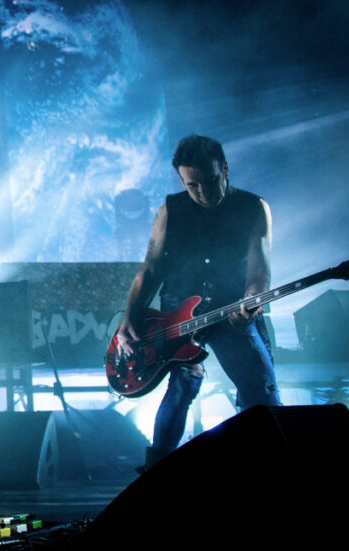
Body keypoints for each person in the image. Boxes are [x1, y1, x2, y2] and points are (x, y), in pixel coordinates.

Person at [115, 134, 280, 471]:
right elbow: (150, 267)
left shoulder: (253, 207)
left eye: (211, 181)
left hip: (230, 306)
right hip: (179, 307)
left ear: (226, 169)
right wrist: (129, 318)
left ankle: (272, 463)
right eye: (193, 185)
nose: (204, 192)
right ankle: (157, 469)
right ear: (181, 180)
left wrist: (252, 297)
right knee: (183, 383)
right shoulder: (170, 210)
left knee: (260, 390)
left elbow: (259, 264)